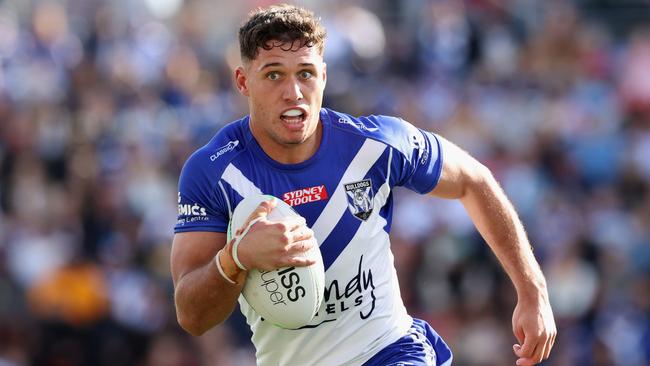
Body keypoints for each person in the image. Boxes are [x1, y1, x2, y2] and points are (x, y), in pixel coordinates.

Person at [171, 4, 556, 366]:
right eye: (274, 74)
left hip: (389, 349)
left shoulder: (372, 145)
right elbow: (192, 316)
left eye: (305, 73)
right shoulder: (213, 172)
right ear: (243, 81)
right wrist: (235, 257)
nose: (293, 92)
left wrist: (532, 290)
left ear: (323, 76)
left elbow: (474, 180)